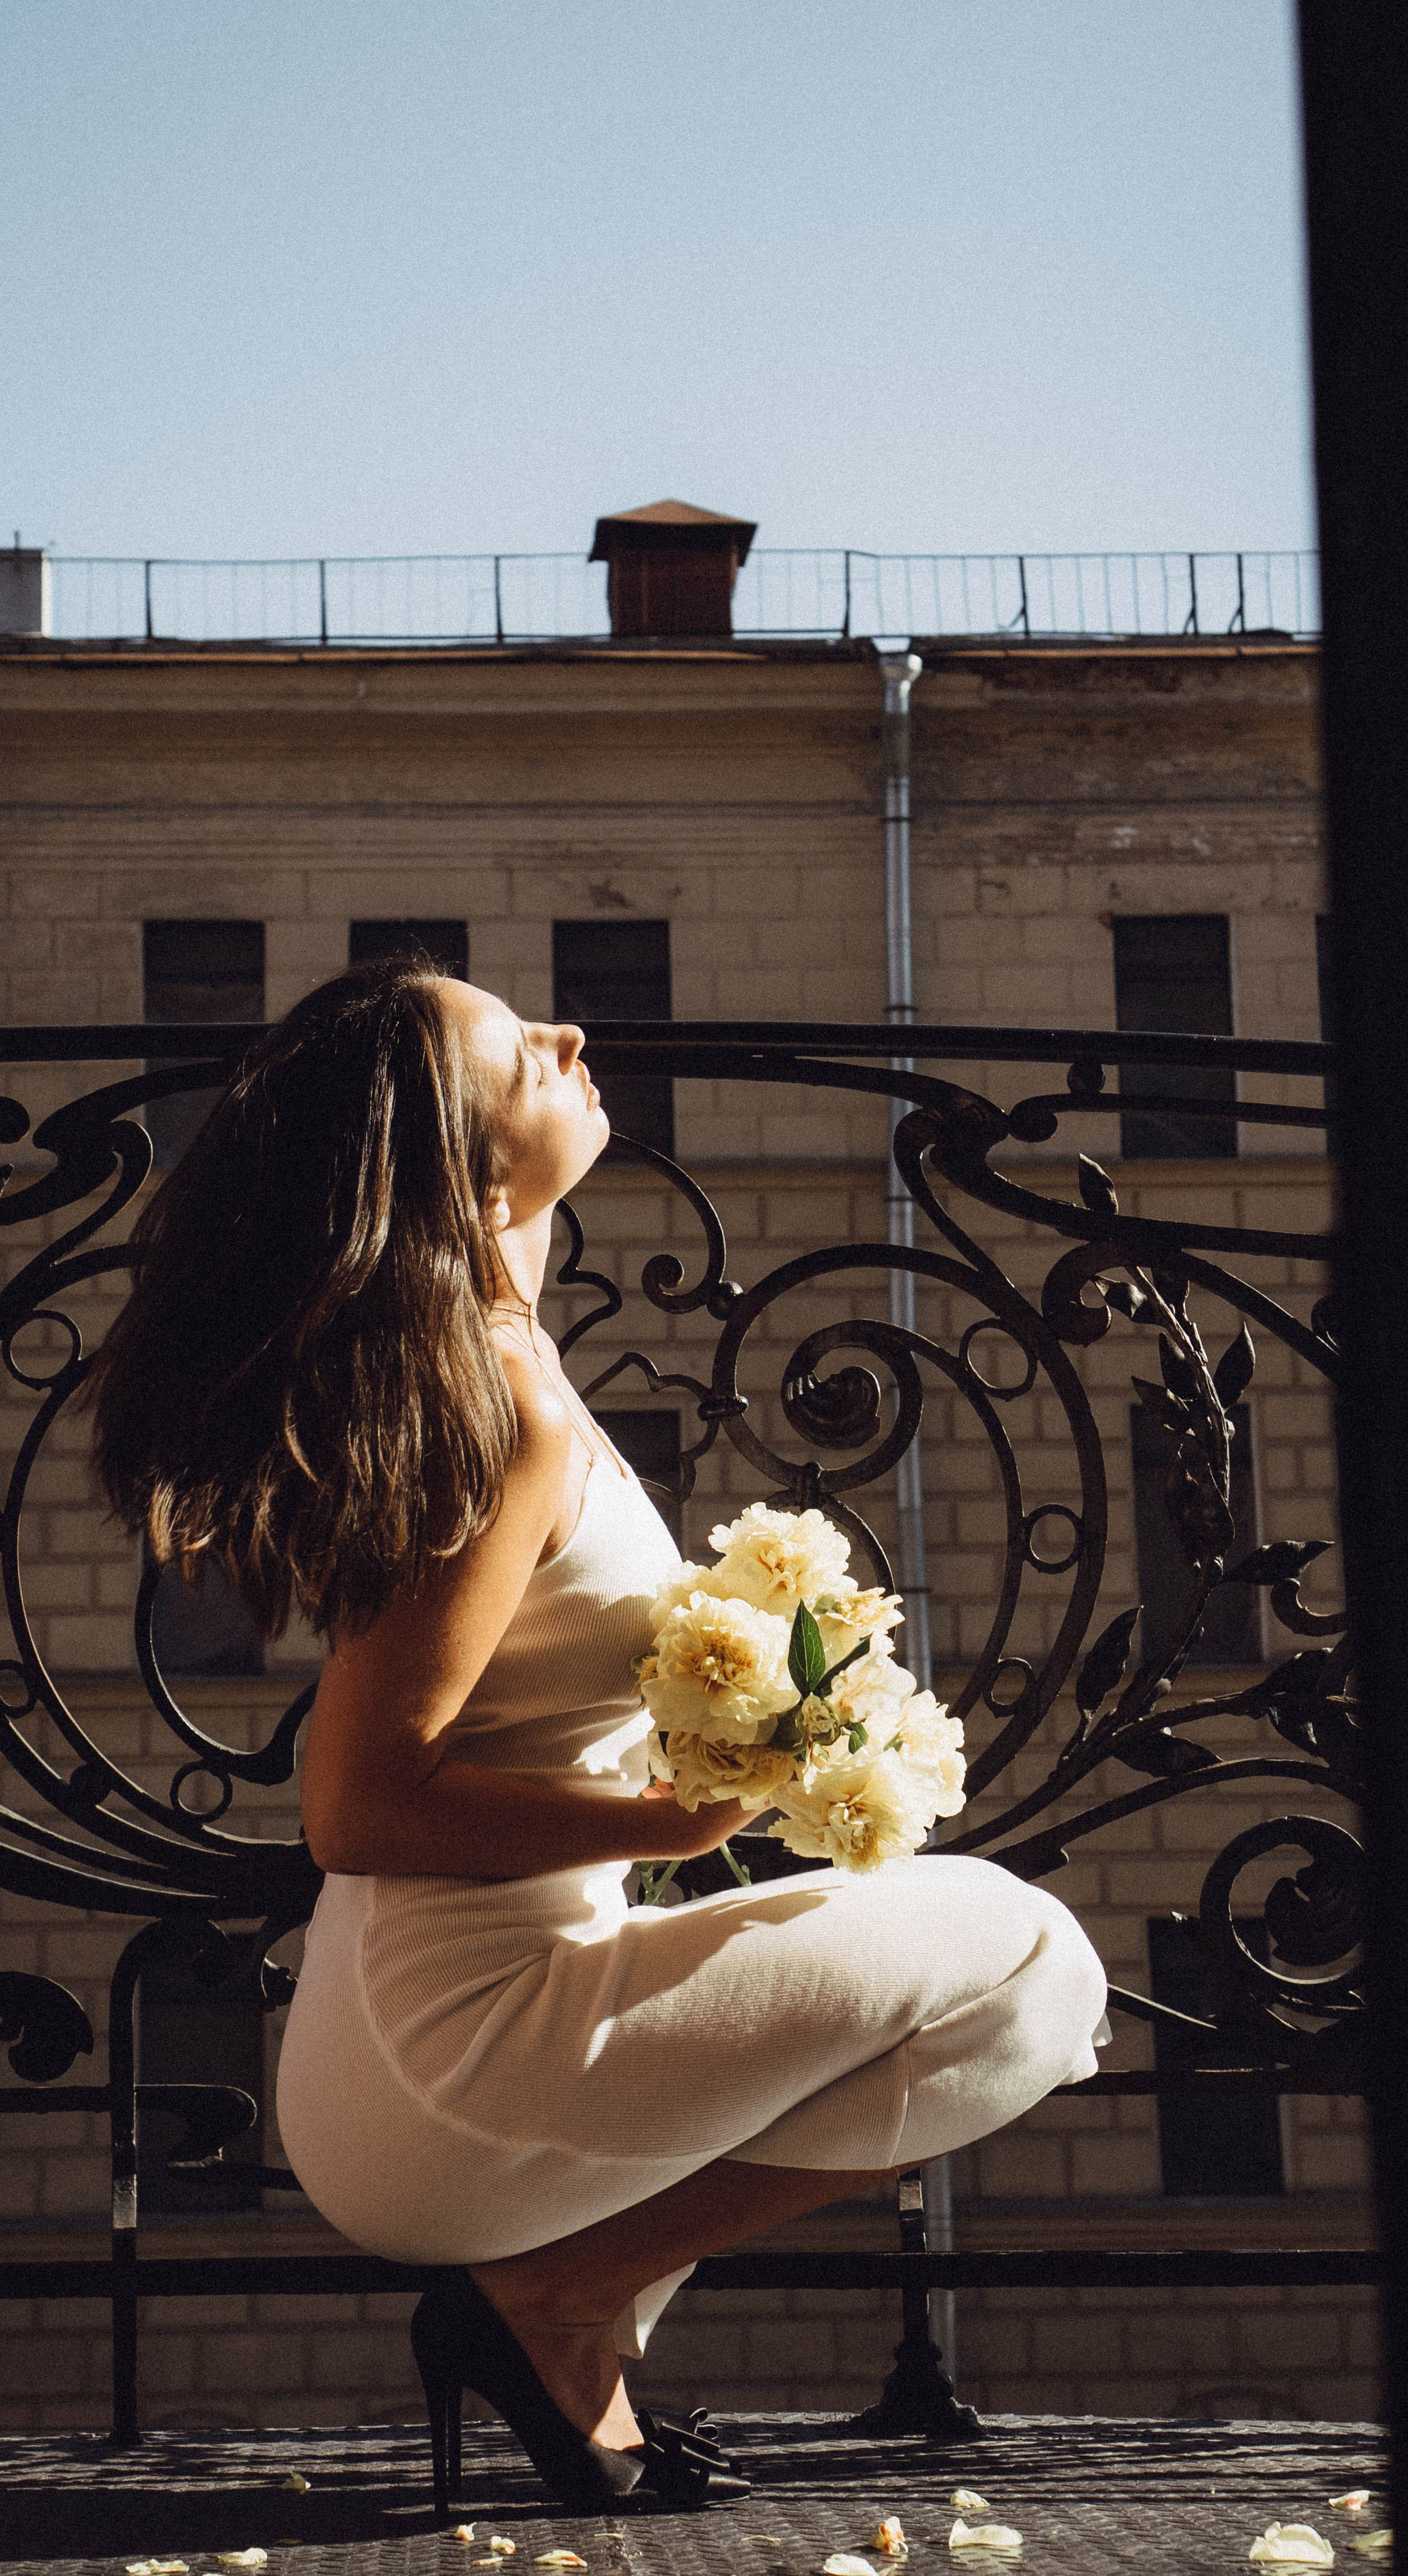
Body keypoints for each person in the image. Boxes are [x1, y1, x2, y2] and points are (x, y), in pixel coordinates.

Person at [92, 957, 1108, 2513]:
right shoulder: (506, 1407)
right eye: (517, 1053)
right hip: (455, 2058)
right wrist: (667, 1828)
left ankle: (567, 2308)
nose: (568, 1037)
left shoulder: (500, 1359)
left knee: (1009, 1980)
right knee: (1033, 1964)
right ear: (459, 1153)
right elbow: (357, 1807)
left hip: (435, 2047)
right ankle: (560, 2300)